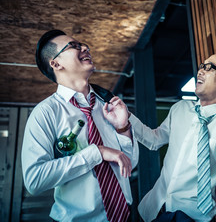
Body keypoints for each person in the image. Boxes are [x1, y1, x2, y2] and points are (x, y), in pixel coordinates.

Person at [126, 50, 216, 221]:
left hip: (191, 216)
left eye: (210, 68)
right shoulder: (180, 108)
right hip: (152, 210)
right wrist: (127, 118)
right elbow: (154, 140)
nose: (201, 70)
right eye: (202, 65)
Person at [21, 29, 139, 222]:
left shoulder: (108, 106)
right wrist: (96, 153)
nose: (85, 47)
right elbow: (34, 180)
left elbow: (129, 165)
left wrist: (123, 128)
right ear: (56, 63)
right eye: (74, 46)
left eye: (83, 45)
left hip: (126, 215)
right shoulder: (45, 113)